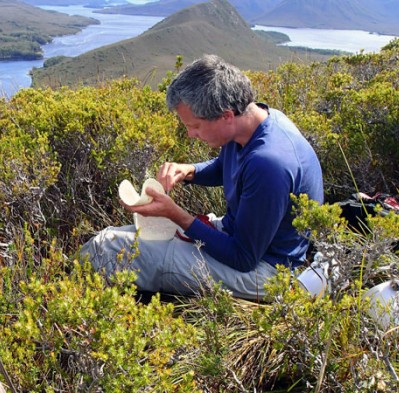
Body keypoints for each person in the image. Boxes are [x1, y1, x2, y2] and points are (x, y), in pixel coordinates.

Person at [80, 54, 324, 300]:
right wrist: (189, 171)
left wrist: (177, 215)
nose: (190, 134)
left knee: (107, 249)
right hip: (240, 239)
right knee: (126, 237)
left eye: (195, 126)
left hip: (267, 273)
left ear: (226, 115)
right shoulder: (258, 122)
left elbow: (243, 257)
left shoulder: (269, 163)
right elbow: (225, 166)